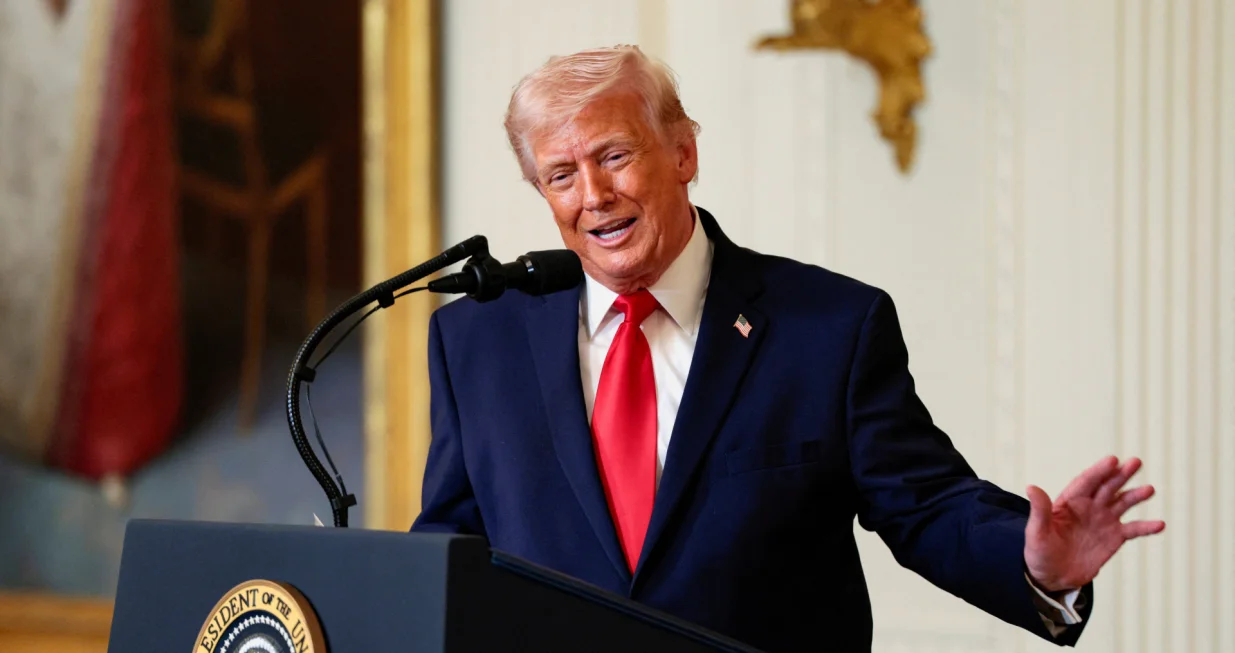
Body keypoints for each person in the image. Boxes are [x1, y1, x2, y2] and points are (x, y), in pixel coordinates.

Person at [410, 45, 1164, 652]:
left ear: (682, 153)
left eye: (613, 155)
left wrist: (1032, 566)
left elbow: (925, 503)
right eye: (560, 175)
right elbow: (449, 544)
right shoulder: (478, 336)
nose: (592, 196)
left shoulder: (828, 326)